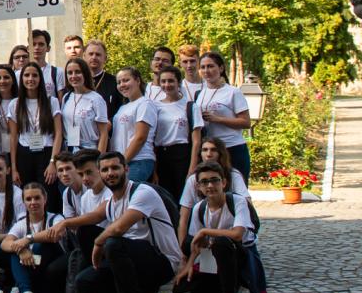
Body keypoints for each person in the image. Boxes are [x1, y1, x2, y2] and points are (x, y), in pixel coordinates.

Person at [74, 151, 184, 293]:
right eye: (105, 170)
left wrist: (98, 244)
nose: (110, 173)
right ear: (100, 173)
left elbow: (119, 228)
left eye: (115, 168)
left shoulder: (142, 192)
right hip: (133, 259)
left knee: (113, 243)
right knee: (84, 281)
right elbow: (93, 217)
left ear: (126, 169)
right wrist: (64, 224)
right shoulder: (111, 202)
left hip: (162, 260)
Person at [171, 163, 253, 293]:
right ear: (199, 187)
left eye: (214, 180)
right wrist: (187, 267)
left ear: (223, 182)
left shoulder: (237, 202)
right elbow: (196, 244)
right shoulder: (199, 208)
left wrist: (206, 231)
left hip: (238, 258)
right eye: (204, 182)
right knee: (181, 291)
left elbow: (237, 234)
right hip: (211, 262)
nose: (210, 185)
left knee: (221, 243)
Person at [0, 180, 64, 293]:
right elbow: (5, 243)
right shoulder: (21, 223)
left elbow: (54, 235)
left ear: (45, 199)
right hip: (30, 267)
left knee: (39, 245)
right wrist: (21, 250)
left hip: (51, 266)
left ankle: (18, 288)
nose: (33, 202)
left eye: (37, 198)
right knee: (15, 249)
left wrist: (28, 239)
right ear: (23, 202)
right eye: (28, 199)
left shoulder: (56, 219)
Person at [57, 151, 107, 293]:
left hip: (112, 245)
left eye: (89, 172)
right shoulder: (81, 196)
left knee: (86, 233)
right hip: (91, 247)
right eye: (82, 174)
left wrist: (65, 224)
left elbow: (97, 216)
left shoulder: (110, 191)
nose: (85, 178)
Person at [148, 66, 200, 217]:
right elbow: (153, 140)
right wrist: (155, 169)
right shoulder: (155, 106)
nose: (167, 85)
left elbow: (196, 140)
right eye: (163, 81)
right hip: (162, 156)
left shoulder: (189, 105)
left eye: (171, 81)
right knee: (166, 200)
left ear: (178, 82)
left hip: (182, 154)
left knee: (184, 200)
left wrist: (192, 168)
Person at [193, 52, 254, 175]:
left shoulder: (233, 92)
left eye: (210, 66)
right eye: (203, 67)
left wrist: (218, 119)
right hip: (209, 151)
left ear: (220, 68)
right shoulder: (200, 94)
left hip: (232, 148)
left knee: (236, 189)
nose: (206, 70)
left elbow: (246, 122)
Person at [109, 68, 159, 193]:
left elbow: (140, 137)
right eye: (119, 82)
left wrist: (122, 162)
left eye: (126, 80)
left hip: (138, 160)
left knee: (126, 196)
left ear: (137, 80)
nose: (122, 85)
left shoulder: (144, 103)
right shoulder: (122, 107)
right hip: (123, 162)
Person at [13, 62, 57, 186]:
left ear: (40, 78)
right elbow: (14, 137)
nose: (30, 79)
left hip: (46, 153)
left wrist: (53, 161)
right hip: (24, 154)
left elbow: (58, 134)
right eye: (26, 75)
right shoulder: (15, 104)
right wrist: (14, 168)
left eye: (34, 75)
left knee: (47, 195)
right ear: (21, 79)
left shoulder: (51, 102)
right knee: (27, 194)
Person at [60, 58, 109, 155]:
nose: (73, 76)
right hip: (70, 151)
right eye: (70, 73)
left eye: (77, 72)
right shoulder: (66, 97)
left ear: (85, 74)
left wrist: (99, 160)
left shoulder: (96, 99)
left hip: (90, 152)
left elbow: (104, 134)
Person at [83, 38, 123, 118]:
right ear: (84, 57)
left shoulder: (115, 82)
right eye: (91, 54)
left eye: (98, 54)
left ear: (105, 58)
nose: (94, 57)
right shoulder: (77, 81)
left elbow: (121, 110)